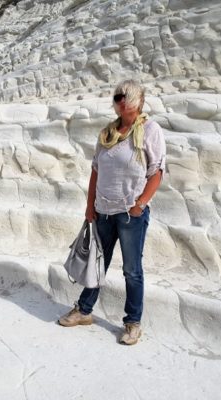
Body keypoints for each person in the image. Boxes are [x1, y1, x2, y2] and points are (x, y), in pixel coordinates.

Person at [58, 79, 166, 345]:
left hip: (131, 214)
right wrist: (89, 205)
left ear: (137, 101)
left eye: (124, 97)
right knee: (98, 263)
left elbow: (157, 172)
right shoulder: (107, 133)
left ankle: (132, 322)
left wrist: (140, 203)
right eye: (117, 97)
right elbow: (96, 170)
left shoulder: (150, 130)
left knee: (132, 270)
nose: (119, 101)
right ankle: (84, 311)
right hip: (103, 211)